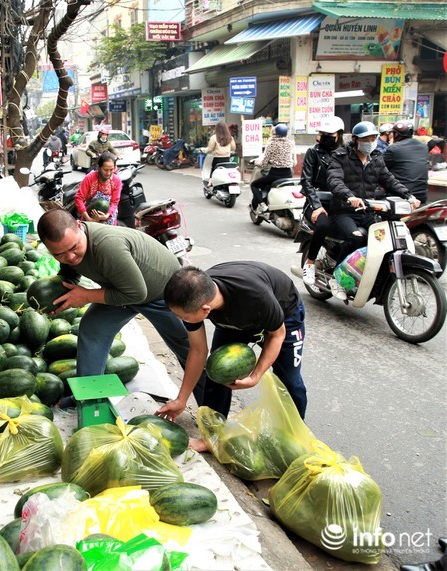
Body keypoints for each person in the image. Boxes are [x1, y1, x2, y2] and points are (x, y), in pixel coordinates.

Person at [36, 209, 191, 401]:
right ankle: (87, 397)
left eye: (74, 247)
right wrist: (60, 292)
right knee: (92, 328)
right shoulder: (69, 251)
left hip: (163, 293)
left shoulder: (106, 245)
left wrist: (86, 296)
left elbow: (137, 293)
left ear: (79, 225)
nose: (70, 257)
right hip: (121, 289)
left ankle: (213, 411)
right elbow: (70, 271)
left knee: (189, 349)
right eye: (59, 254)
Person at [156, 263, 308, 448]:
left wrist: (255, 376)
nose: (181, 320)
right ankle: (211, 437)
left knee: (290, 381)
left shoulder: (255, 297)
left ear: (206, 310)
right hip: (235, 320)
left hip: (284, 316)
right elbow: (198, 351)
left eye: (183, 317)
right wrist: (181, 400)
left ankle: (294, 437)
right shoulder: (194, 297)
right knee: (217, 372)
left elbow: (277, 335)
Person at [326, 121, 420, 299]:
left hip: (367, 211)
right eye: (366, 138)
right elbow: (334, 180)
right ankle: (336, 277)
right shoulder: (340, 156)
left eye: (373, 138)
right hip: (343, 210)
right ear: (355, 140)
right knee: (356, 237)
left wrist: (408, 196)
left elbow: (389, 180)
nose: (370, 141)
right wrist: (349, 196)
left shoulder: (376, 158)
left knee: (382, 239)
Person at [300, 117, 344, 285]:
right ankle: (310, 263)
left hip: (339, 202)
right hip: (317, 201)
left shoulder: (346, 153)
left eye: (329, 134)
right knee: (324, 224)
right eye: (323, 133)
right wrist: (317, 205)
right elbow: (306, 181)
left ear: (339, 135)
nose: (326, 136)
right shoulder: (314, 152)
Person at [250, 124, 295, 213]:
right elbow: (293, 161)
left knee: (254, 185)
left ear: (275, 133)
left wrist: (255, 162)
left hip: (275, 174)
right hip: (288, 174)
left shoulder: (271, 144)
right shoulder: (291, 143)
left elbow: (263, 163)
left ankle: (262, 205)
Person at [383, 120, 430, 203]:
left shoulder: (393, 149)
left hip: (400, 196)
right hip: (422, 196)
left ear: (396, 134)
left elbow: (380, 170)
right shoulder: (424, 147)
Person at [74, 152, 122, 225]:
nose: (108, 173)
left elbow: (114, 202)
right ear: (99, 167)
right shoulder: (89, 178)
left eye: (111, 169)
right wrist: (88, 218)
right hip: (89, 218)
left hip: (108, 218)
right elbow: (78, 198)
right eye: (105, 170)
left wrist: (106, 216)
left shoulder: (117, 181)